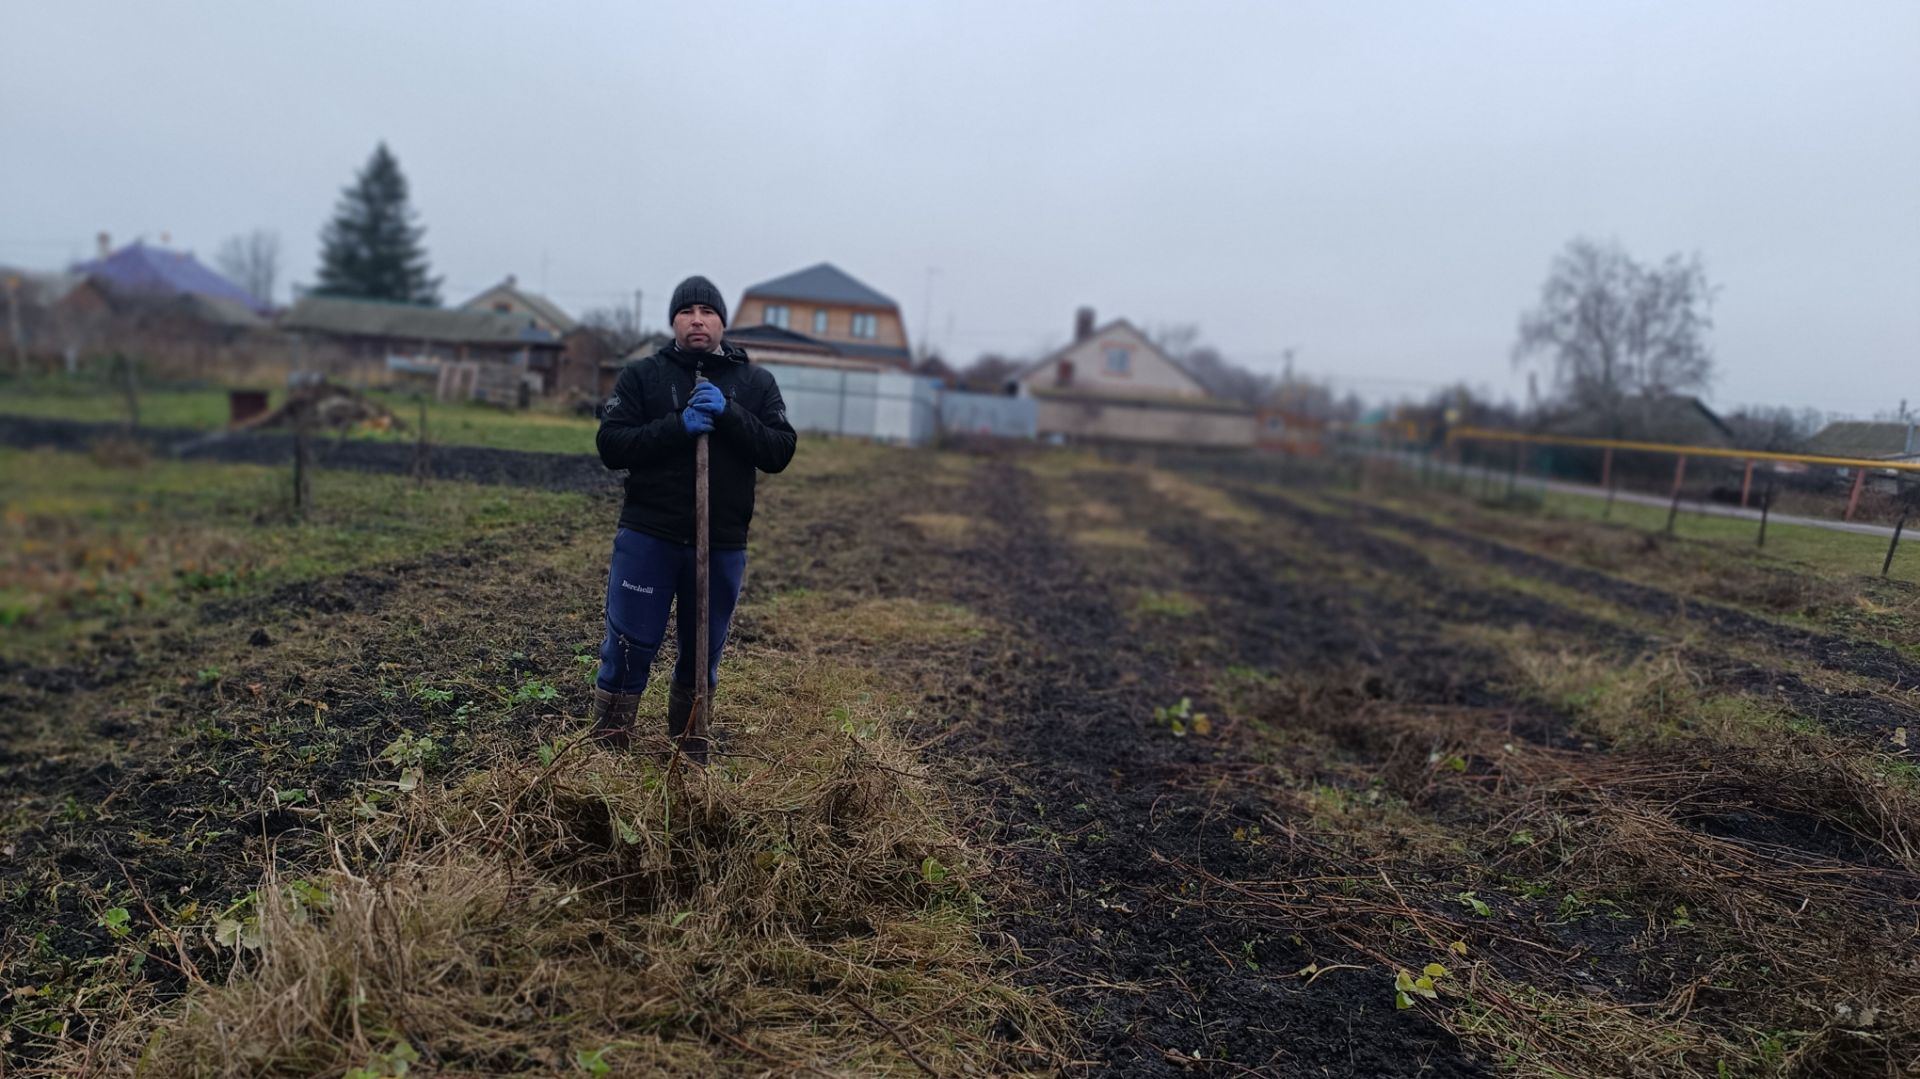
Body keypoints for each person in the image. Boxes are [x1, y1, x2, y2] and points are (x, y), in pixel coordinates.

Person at [590, 275, 797, 758]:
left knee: (703, 651)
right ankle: (605, 755)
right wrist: (676, 426)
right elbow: (611, 445)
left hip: (721, 541)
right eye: (686, 312)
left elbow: (779, 451)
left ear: (723, 322)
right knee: (628, 646)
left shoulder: (756, 383)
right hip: (649, 535)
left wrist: (730, 413)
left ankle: (689, 756)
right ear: (674, 322)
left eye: (707, 312)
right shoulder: (642, 376)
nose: (697, 320)